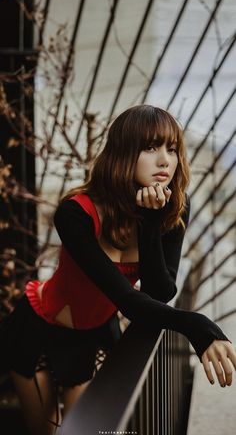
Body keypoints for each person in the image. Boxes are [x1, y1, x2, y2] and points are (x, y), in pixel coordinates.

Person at [1, 105, 236, 435]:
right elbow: (127, 299)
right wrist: (198, 327)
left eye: (171, 149)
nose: (165, 160)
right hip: (40, 329)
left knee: (83, 430)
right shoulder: (76, 213)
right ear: (125, 152)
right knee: (43, 431)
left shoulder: (173, 207)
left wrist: (151, 223)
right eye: (150, 147)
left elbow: (160, 290)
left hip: (92, 334)